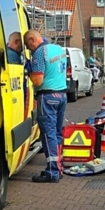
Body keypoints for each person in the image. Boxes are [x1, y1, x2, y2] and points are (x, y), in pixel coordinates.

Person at [25, 30, 68, 183]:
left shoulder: (39, 52)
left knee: (48, 134)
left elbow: (37, 81)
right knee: (57, 133)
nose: (29, 49)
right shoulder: (58, 49)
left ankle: (52, 172)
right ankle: (59, 166)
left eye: (28, 46)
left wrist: (28, 70)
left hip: (47, 96)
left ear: (32, 40)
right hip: (62, 95)